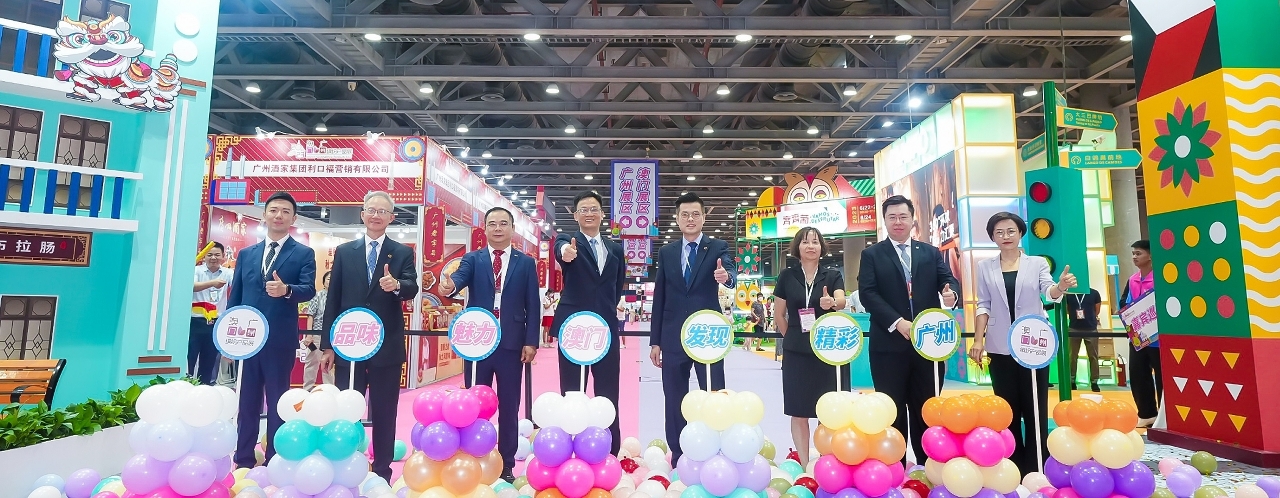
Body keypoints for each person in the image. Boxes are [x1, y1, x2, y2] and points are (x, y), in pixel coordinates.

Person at [317, 191, 419, 481]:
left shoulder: (402, 252)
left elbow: (411, 287)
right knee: (347, 410)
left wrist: (396, 284)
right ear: (362, 214)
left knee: (385, 411)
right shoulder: (344, 251)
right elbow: (333, 299)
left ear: (391, 217)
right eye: (371, 210)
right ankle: (344, 467)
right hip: (349, 345)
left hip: (386, 345)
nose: (376, 215)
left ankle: (382, 471)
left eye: (382, 211)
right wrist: (328, 345)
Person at [968, 212, 1076, 475]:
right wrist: (978, 340)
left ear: (1020, 233)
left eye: (1011, 231)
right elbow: (984, 304)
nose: (1005, 236)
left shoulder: (1036, 263)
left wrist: (1061, 287)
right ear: (992, 237)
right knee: (1007, 409)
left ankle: (1037, 465)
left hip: (1032, 345)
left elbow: (1048, 291)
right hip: (999, 345)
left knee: (1035, 406)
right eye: (999, 232)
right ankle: (1012, 465)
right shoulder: (984, 266)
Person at [438, 207, 539, 481]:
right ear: (484, 228)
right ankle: (473, 457)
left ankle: (506, 464)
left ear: (512, 229)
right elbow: (458, 280)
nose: (497, 228)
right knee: (473, 405)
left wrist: (531, 341)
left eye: (503, 224)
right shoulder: (473, 259)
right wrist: (449, 286)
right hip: (477, 343)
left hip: (512, 343)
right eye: (492, 224)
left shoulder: (525, 263)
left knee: (509, 406)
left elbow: (533, 304)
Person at [858, 195, 957, 464]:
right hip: (888, 346)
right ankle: (895, 469)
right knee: (892, 412)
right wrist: (898, 322)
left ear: (912, 219)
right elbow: (868, 294)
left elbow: (948, 280)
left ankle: (928, 467)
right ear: (885, 221)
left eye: (903, 216)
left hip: (928, 346)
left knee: (927, 409)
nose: (898, 222)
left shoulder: (930, 252)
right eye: (892, 217)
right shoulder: (872, 255)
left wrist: (951, 295)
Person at [228, 192, 317, 469]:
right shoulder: (247, 254)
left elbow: (309, 289)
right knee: (247, 403)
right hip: (247, 341)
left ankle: (275, 460)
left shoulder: (303, 253)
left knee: (278, 402)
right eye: (274, 210)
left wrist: (286, 290)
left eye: (285, 211)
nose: (279, 215)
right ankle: (243, 459)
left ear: (294, 218)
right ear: (264, 215)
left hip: (279, 339)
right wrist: (228, 340)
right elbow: (235, 297)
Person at [650, 192, 736, 465]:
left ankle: (717, 448)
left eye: (695, 214)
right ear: (677, 219)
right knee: (674, 397)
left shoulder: (717, 247)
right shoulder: (667, 252)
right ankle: (678, 453)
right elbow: (660, 296)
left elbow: (731, 272)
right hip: (673, 335)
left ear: (703, 217)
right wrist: (655, 341)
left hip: (708, 335)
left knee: (714, 393)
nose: (690, 219)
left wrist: (726, 277)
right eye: (685, 215)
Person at [551, 190, 626, 453]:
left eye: (594, 209)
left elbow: (617, 286)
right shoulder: (568, 241)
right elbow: (560, 247)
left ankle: (610, 450)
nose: (589, 213)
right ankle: (570, 448)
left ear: (603, 214)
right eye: (583, 209)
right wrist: (565, 251)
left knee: (608, 390)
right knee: (572, 391)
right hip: (574, 328)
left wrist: (604, 310)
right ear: (575, 215)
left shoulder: (615, 249)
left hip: (605, 328)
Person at [773, 227, 847, 467]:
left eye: (815, 242)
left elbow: (841, 300)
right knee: (799, 409)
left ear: (822, 247)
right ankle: (805, 465)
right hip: (796, 352)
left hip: (826, 351)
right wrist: (794, 338)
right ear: (798, 247)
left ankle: (827, 462)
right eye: (805, 242)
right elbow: (779, 315)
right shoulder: (787, 276)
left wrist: (832, 302)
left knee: (828, 410)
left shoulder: (832, 275)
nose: (811, 246)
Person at [1123, 239, 1161, 428]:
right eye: (1133, 254)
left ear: (1150, 255)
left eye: (1138, 253)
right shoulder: (1132, 280)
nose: (1134, 257)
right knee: (1138, 374)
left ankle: (1165, 415)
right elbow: (1127, 304)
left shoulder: (1161, 278)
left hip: (1158, 339)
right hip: (1138, 337)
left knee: (1162, 377)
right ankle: (1147, 414)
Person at [191, 242, 232, 385]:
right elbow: (191, 286)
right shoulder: (196, 270)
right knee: (190, 358)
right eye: (209, 254)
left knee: (210, 361)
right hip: (195, 321)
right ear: (204, 256)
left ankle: (206, 389)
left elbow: (239, 284)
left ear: (223, 256)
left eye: (217, 255)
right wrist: (212, 283)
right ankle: (187, 386)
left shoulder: (228, 273)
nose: (213, 258)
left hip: (216, 323)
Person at [302, 271, 335, 390]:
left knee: (329, 363)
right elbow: (310, 315)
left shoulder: (338, 297)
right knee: (312, 362)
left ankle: (329, 389)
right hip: (317, 334)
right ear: (324, 281)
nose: (330, 281)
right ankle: (307, 388)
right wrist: (309, 335)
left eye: (333, 279)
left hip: (332, 336)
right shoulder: (318, 295)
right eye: (328, 279)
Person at [1066, 287, 1103, 392]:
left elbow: (1097, 311)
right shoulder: (1069, 294)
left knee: (1093, 356)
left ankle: (1094, 382)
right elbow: (1068, 310)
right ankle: (1071, 381)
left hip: (1091, 328)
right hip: (1074, 328)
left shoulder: (1094, 293)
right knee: (1072, 356)